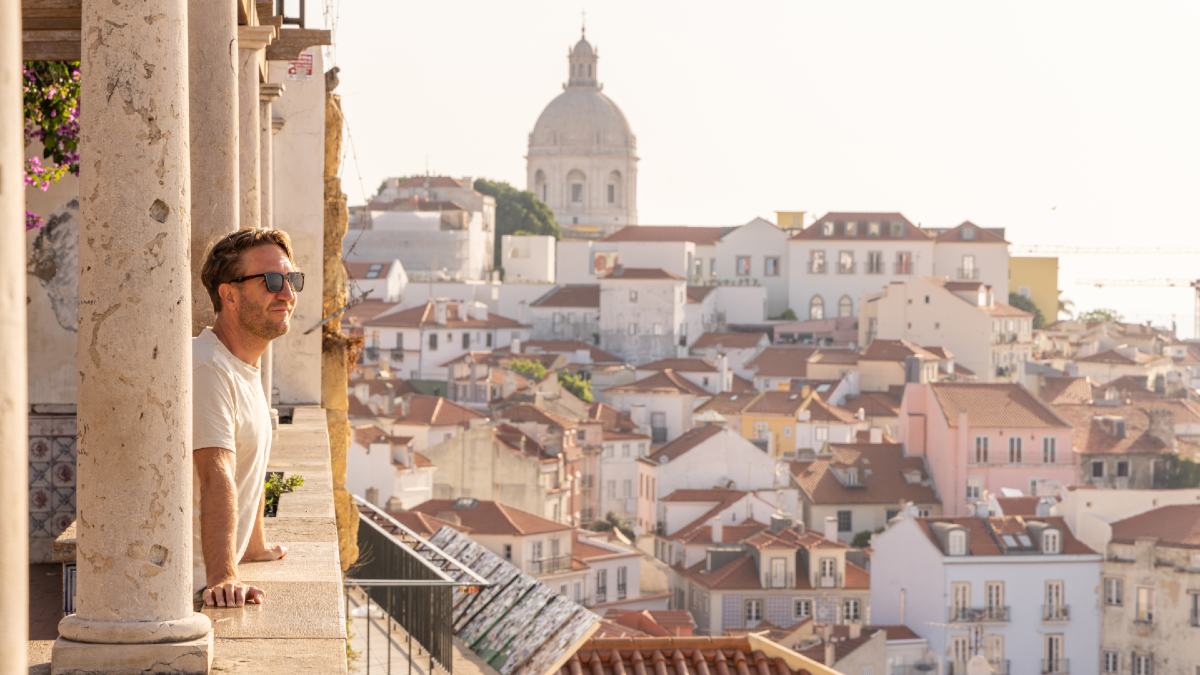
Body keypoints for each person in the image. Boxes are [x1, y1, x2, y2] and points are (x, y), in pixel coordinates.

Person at [193, 229, 302, 607]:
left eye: (292, 280)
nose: (287, 294)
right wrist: (224, 576)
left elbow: (247, 465)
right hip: (188, 584)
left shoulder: (240, 365)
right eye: (272, 281)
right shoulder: (206, 366)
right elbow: (215, 473)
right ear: (230, 295)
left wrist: (253, 545)